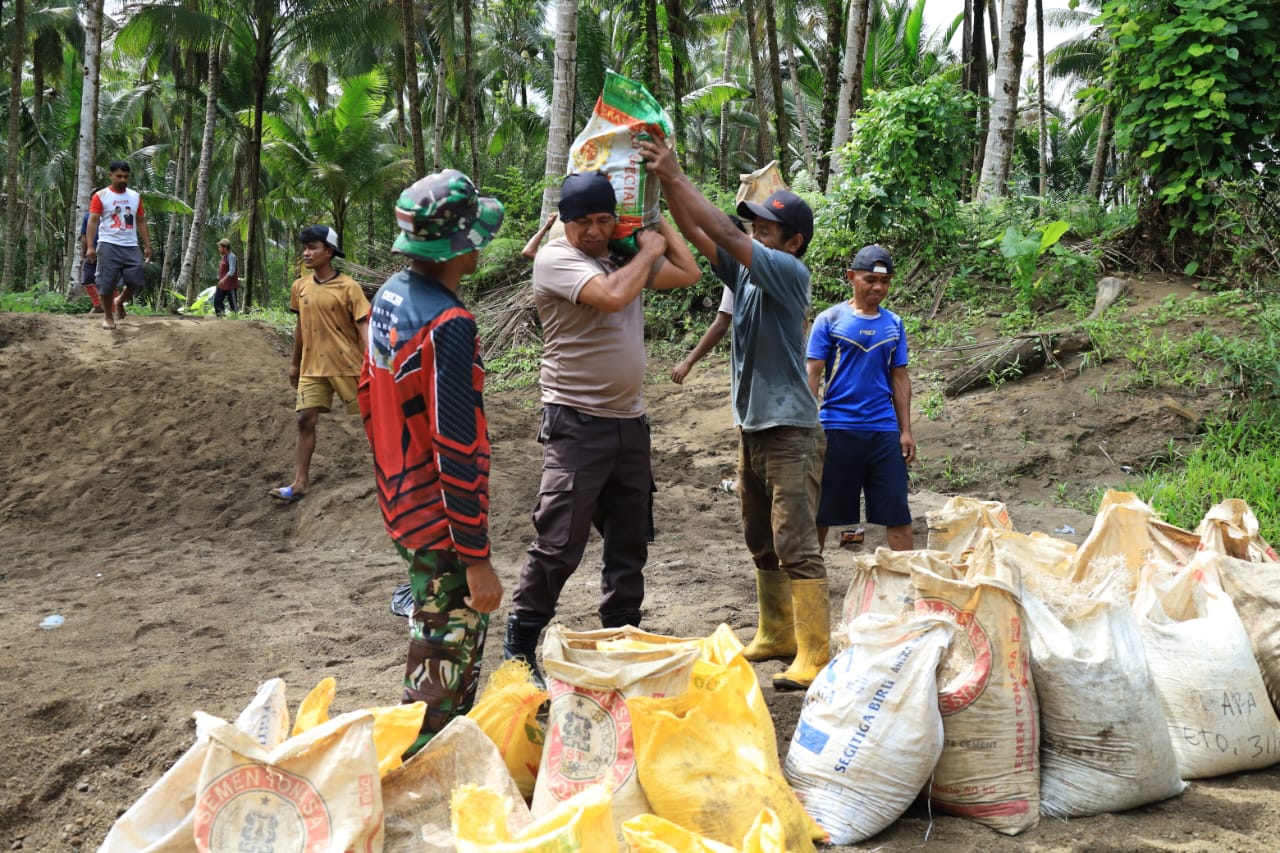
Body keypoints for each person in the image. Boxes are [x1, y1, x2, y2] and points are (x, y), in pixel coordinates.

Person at [639, 138, 828, 691]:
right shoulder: (747, 274)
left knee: (796, 542)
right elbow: (703, 234)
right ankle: (778, 633)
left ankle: (816, 650)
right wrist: (665, 187)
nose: (753, 235)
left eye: (765, 230)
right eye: (754, 229)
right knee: (759, 537)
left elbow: (721, 231)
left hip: (791, 428)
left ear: (791, 243)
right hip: (754, 426)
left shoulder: (788, 273)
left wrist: (675, 169)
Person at [503, 170, 702, 685]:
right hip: (576, 422)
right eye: (581, 221)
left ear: (616, 219)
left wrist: (653, 225)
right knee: (559, 540)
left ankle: (622, 635)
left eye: (603, 220)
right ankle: (521, 645)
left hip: (629, 424)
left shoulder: (619, 256)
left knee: (628, 539)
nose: (592, 231)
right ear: (563, 224)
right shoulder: (555, 259)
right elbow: (613, 296)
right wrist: (643, 249)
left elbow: (687, 273)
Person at [358, 169, 505, 754]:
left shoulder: (390, 295)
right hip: (440, 512)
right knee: (446, 644)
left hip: (400, 493)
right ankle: (421, 759)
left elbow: (370, 393)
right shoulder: (450, 325)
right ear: (460, 246)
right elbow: (455, 446)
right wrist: (477, 559)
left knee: (433, 619)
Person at [807, 244, 916, 552]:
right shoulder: (829, 320)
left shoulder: (894, 324)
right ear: (851, 277)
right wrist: (805, 427)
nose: (878, 287)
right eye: (870, 280)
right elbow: (812, 375)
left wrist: (905, 431)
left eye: (884, 281)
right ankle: (806, 585)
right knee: (822, 512)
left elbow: (899, 377)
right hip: (837, 428)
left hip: (883, 430)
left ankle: (906, 589)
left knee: (897, 513)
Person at [269, 225, 370, 503]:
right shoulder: (300, 287)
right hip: (312, 367)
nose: (306, 253)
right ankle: (300, 482)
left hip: (348, 365)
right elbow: (301, 325)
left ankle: (398, 473)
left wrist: (375, 360)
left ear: (329, 251)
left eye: (313, 247)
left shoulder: (349, 287)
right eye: (305, 248)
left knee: (374, 419)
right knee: (305, 420)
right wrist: (294, 363)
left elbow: (364, 324)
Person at [84, 160, 153, 330]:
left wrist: (147, 245)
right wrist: (90, 247)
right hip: (108, 244)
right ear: (111, 176)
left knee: (136, 280)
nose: (123, 180)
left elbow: (141, 221)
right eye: (119, 176)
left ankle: (119, 301)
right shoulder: (101, 196)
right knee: (107, 283)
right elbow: (92, 221)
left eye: (126, 177)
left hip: (130, 245)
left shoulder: (135, 196)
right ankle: (108, 317)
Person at [79, 213, 103, 314]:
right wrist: (82, 255)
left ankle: (114, 308)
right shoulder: (87, 216)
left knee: (108, 280)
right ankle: (97, 305)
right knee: (87, 278)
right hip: (91, 253)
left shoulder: (110, 214)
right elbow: (84, 236)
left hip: (107, 252)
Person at [214, 238, 240, 317]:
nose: (219, 249)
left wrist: (223, 280)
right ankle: (221, 317)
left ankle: (237, 319)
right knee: (217, 302)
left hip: (230, 286)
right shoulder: (224, 257)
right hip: (222, 285)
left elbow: (232, 271)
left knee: (233, 305)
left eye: (220, 247)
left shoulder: (232, 256)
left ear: (225, 248)